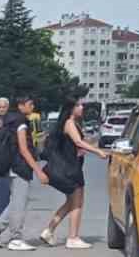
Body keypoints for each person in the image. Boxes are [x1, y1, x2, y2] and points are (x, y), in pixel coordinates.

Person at [37, 99, 109, 249]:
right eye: (78, 105)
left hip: (71, 166)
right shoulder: (70, 123)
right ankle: (73, 237)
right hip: (71, 168)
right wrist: (98, 151)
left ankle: (49, 230)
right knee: (77, 203)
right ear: (70, 108)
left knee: (71, 202)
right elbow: (78, 142)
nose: (82, 107)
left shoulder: (73, 123)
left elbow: (76, 143)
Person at [0, 95, 47, 251]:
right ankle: (16, 238)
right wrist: (38, 170)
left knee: (16, 201)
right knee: (19, 204)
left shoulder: (10, 120)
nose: (32, 107)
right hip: (20, 166)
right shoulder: (20, 123)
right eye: (29, 104)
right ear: (21, 105)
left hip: (13, 165)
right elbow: (24, 149)